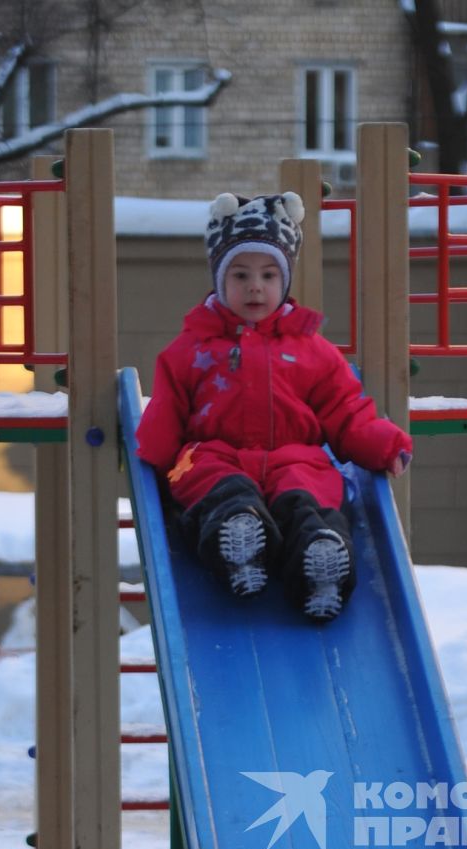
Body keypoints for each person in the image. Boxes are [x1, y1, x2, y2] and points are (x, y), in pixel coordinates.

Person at [136, 190, 411, 620]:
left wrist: (384, 443)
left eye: (268, 275)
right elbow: (167, 412)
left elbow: (345, 410)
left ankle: (319, 565)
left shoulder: (311, 349)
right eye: (240, 275)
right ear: (219, 279)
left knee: (311, 499)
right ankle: (238, 546)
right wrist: (147, 460)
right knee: (211, 486)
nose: (255, 287)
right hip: (216, 454)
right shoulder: (191, 348)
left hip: (293, 460)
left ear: (284, 282)